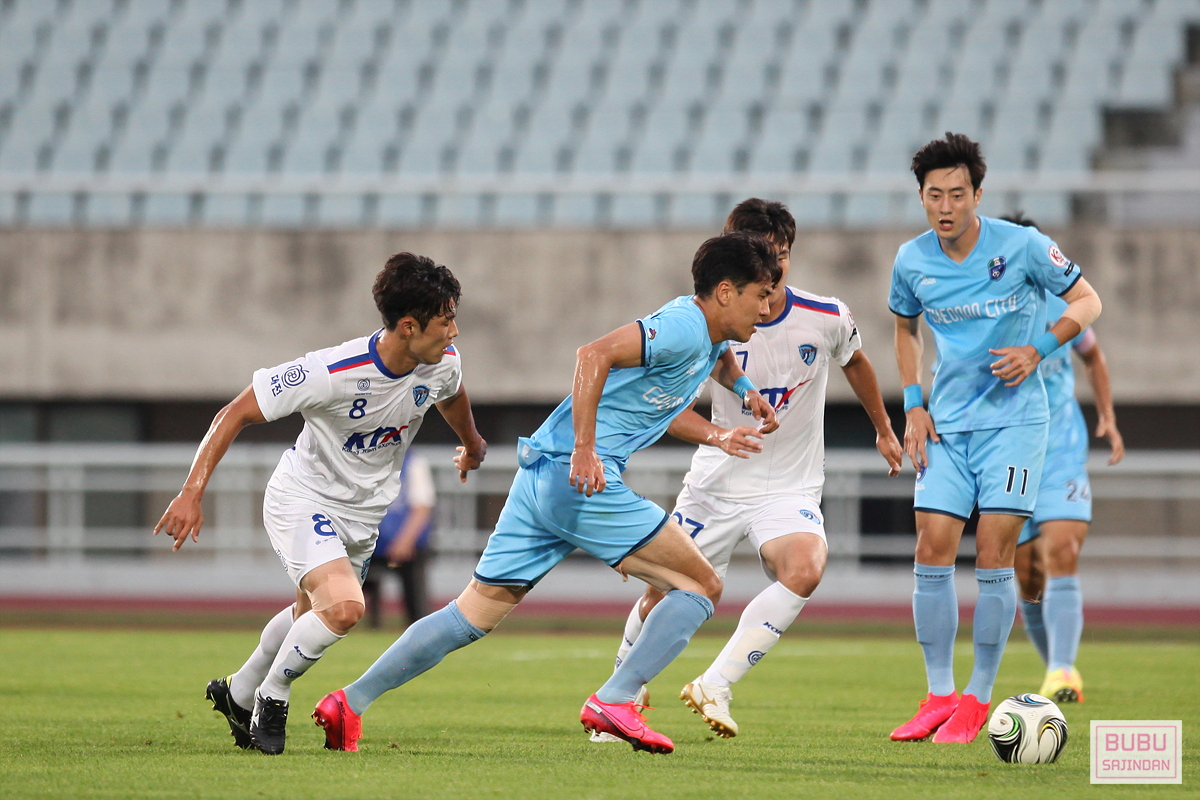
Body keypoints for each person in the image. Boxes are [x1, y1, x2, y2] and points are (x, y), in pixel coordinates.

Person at [312, 232, 782, 755]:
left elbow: (713, 362)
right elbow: (592, 354)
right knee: (701, 585)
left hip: (543, 472)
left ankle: (349, 702)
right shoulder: (683, 328)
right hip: (578, 477)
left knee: (473, 613)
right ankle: (616, 699)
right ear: (725, 292)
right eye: (761, 295)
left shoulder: (707, 335)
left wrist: (744, 392)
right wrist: (585, 448)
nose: (767, 308)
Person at [592, 198, 903, 741]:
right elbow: (666, 401)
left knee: (805, 567)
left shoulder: (828, 316)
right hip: (717, 483)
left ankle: (716, 683)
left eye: (780, 255)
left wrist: (882, 428)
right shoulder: (709, 324)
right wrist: (719, 430)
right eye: (760, 255)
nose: (772, 269)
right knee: (664, 591)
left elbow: (856, 361)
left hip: (788, 487)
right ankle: (622, 693)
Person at [152, 253, 486, 755]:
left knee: (310, 614)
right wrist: (191, 491)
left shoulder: (442, 363)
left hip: (365, 514)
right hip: (302, 498)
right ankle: (271, 698)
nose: (454, 331)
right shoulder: (331, 371)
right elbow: (234, 412)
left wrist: (472, 443)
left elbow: (452, 395)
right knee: (346, 608)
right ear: (408, 326)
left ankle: (237, 692)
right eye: (445, 320)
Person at [887, 133, 1103, 744]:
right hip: (946, 425)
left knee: (992, 553)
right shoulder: (911, 260)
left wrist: (1040, 347)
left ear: (978, 194)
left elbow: (1088, 300)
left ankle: (978, 697)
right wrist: (914, 404)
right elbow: (905, 331)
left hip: (1014, 425)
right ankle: (939, 695)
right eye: (935, 195)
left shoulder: (1023, 246)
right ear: (922, 197)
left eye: (958, 194)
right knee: (931, 546)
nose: (946, 206)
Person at [999, 214, 1125, 705]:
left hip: (1061, 451)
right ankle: (1056, 670)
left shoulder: (1065, 304)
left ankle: (1062, 671)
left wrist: (1107, 415)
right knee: (1028, 578)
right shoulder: (980, 311)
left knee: (1063, 552)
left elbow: (1093, 356)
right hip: (1008, 456)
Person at [361, 449, 437, 628]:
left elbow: (422, 508)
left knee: (413, 582)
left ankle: (419, 625)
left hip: (404, 544)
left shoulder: (413, 462)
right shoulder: (361, 459)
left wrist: (404, 541)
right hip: (368, 543)